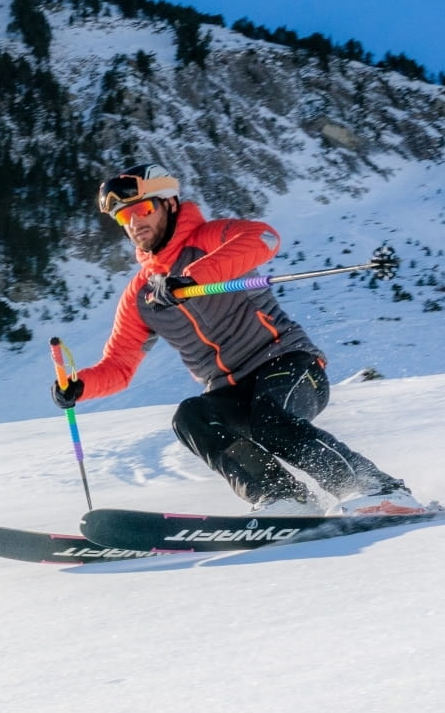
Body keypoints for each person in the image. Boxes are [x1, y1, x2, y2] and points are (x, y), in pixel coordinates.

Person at [51, 163, 422, 517]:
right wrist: (80, 386)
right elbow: (119, 366)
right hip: (229, 390)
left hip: (289, 365)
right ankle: (285, 498)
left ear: (169, 203)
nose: (134, 223)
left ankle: (378, 489)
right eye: (123, 217)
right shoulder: (141, 296)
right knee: (191, 417)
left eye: (143, 209)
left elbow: (264, 237)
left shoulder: (210, 240)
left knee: (271, 420)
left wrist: (194, 278)